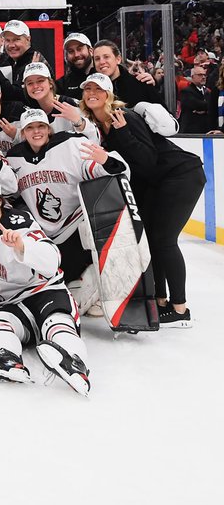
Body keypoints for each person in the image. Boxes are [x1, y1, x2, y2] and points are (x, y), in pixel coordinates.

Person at [80, 72, 206, 327]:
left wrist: (124, 133)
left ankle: (180, 310)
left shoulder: (125, 117)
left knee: (164, 241)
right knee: (152, 240)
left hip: (180, 175)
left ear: (108, 95)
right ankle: (161, 301)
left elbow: (147, 161)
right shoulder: (100, 129)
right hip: (157, 183)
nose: (91, 93)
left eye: (98, 89)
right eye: (87, 89)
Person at [0, 174, 92, 395]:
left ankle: (75, 364)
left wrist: (22, 246)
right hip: (12, 304)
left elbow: (52, 259)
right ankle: (9, 360)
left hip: (45, 292)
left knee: (57, 323)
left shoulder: (19, 221)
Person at [4, 105, 127, 294]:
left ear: (49, 129)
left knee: (88, 232)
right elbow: (8, 193)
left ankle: (106, 277)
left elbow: (112, 170)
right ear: (23, 132)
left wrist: (105, 161)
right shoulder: (14, 157)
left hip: (74, 226)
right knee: (59, 279)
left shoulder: (70, 144)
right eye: (30, 128)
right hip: (44, 233)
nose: (36, 132)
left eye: (41, 126)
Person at [21, 61, 98, 139]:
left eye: (40, 81)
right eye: (30, 83)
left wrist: (78, 121)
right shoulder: (29, 111)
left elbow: (95, 138)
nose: (35, 86)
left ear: (50, 83)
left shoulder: (71, 104)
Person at [92, 40, 161, 105]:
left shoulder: (141, 83)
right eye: (97, 59)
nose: (102, 62)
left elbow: (164, 115)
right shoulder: (91, 90)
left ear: (118, 59)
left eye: (106, 57)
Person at [178, 64, 218, 133]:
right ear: (193, 77)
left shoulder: (208, 92)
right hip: (191, 131)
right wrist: (209, 107)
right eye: (200, 75)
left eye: (204, 75)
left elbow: (211, 106)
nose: (203, 77)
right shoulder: (186, 91)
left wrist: (205, 108)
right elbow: (197, 104)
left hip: (206, 130)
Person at [56, 32, 94, 101]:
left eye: (79, 49)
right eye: (71, 51)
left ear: (91, 51)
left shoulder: (103, 74)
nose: (76, 54)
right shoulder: (62, 84)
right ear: (66, 57)